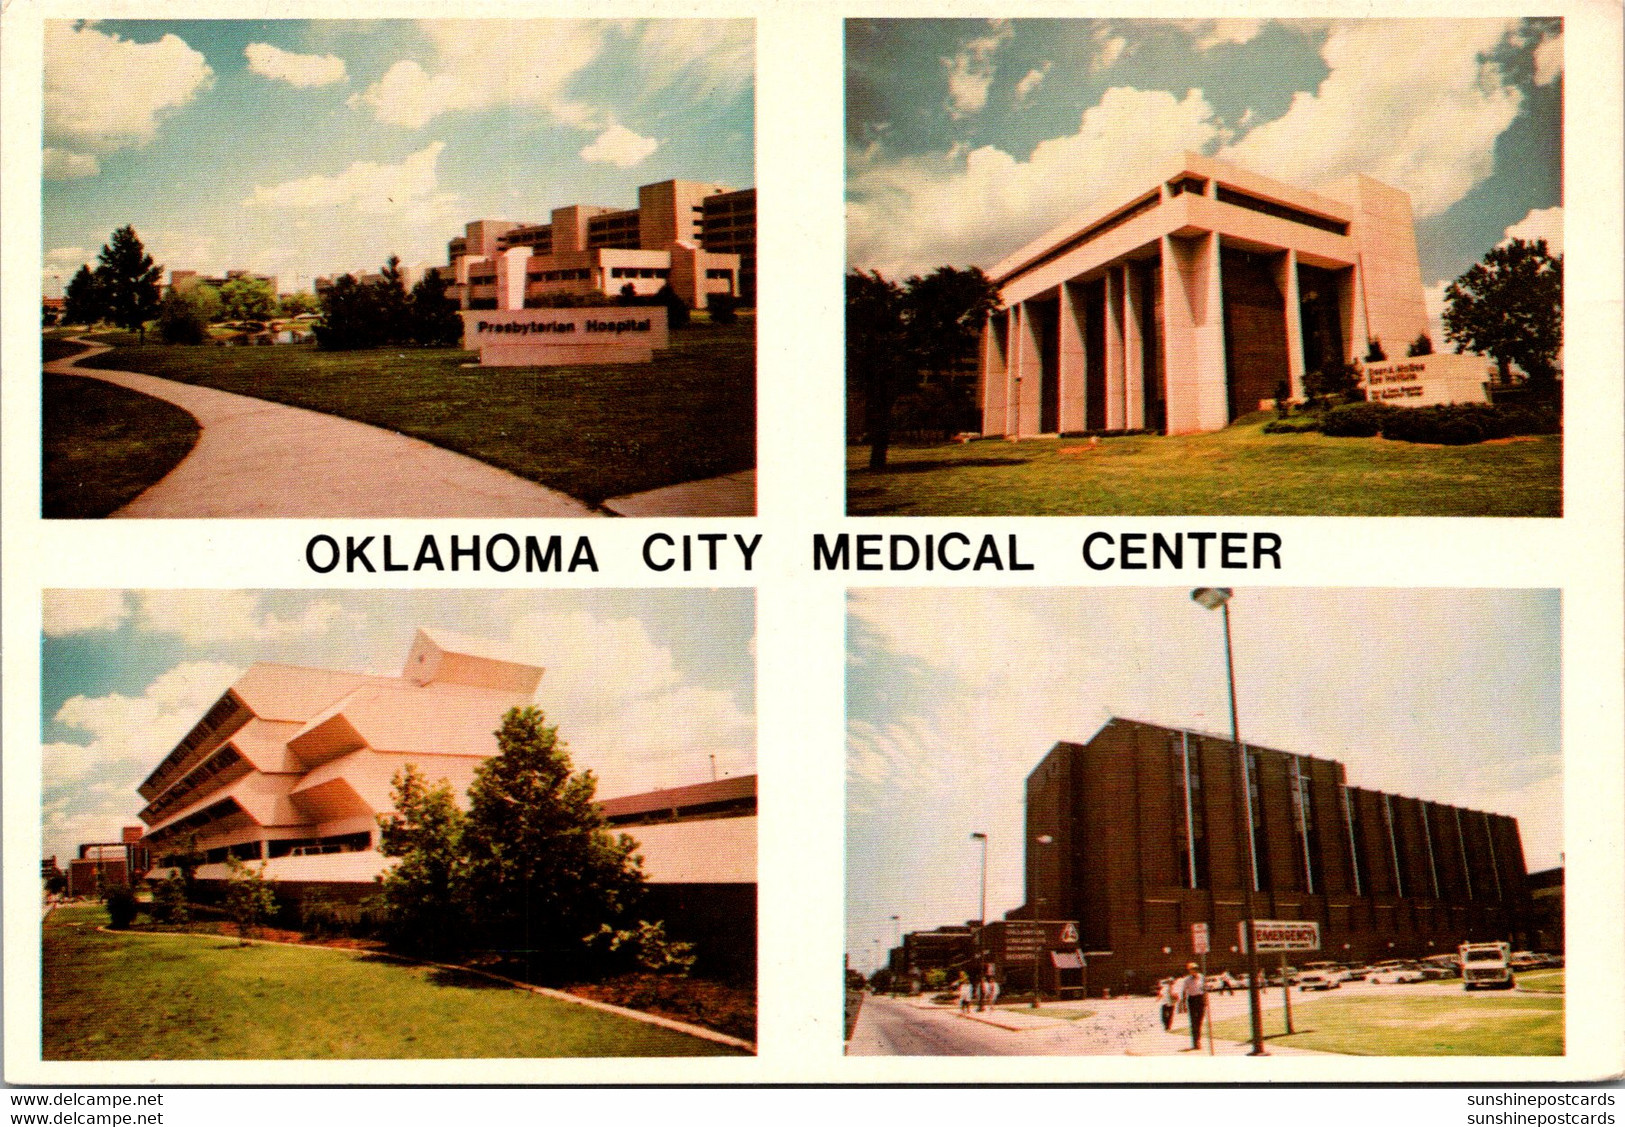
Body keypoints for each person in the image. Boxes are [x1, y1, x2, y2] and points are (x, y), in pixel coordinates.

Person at [1177, 963, 1207, 1050]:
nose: (1193, 971)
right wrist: (1183, 1004)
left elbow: (1204, 989)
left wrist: (1206, 1000)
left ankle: (1198, 1039)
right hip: (1192, 1000)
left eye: (1195, 969)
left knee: (1200, 1021)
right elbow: (1184, 992)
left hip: (1200, 999)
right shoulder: (1187, 980)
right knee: (1194, 1022)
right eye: (1191, 969)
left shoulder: (1202, 977)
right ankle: (1196, 1042)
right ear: (1189, 971)